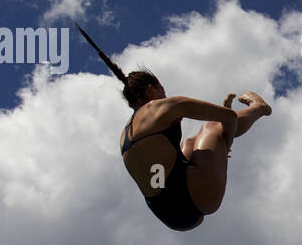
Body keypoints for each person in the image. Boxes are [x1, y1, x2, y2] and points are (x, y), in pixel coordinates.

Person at [108, 61, 270, 232]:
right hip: (196, 196)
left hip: (171, 216)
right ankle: (259, 108)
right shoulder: (165, 106)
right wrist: (225, 145)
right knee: (213, 126)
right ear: (151, 88)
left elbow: (160, 173)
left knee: (189, 143)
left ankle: (207, 155)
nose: (165, 94)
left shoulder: (124, 136)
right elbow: (229, 117)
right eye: (162, 89)